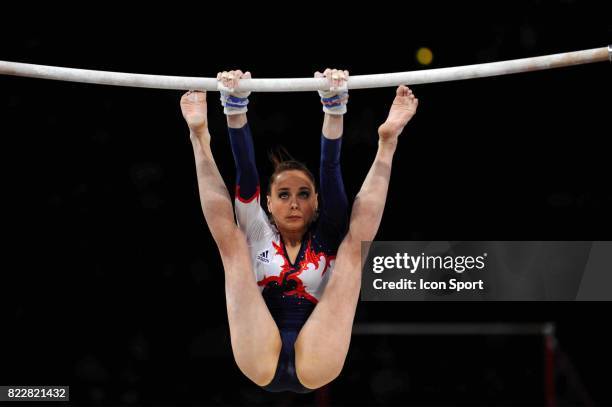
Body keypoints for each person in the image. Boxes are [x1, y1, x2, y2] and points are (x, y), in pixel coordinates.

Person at [179, 70, 418, 393]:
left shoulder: (328, 231)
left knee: (352, 248)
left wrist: (334, 109)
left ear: (316, 202)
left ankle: (387, 142)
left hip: (313, 356)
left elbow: (330, 168)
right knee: (232, 242)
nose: (294, 204)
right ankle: (199, 137)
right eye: (284, 195)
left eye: (303, 194)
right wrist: (234, 108)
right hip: (262, 352)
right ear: (268, 202)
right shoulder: (257, 228)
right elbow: (245, 171)